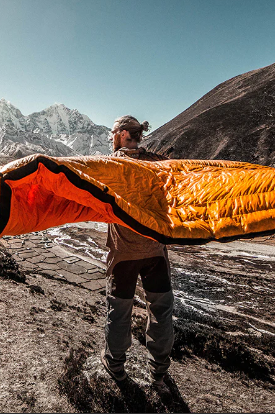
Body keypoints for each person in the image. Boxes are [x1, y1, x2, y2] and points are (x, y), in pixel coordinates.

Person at [100, 115, 174, 391]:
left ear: (120, 135)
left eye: (112, 134)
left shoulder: (109, 166)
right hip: (155, 251)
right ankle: (158, 374)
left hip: (123, 254)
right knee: (161, 310)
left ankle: (116, 367)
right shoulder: (158, 164)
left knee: (119, 311)